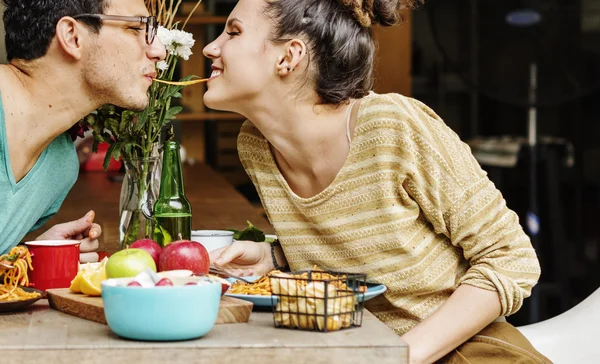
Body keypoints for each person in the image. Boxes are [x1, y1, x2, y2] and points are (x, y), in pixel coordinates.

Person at [204, 0, 550, 363]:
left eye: (234, 32)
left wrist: (399, 356)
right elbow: (359, 249)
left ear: (289, 56)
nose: (212, 47)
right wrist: (275, 256)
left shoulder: (390, 126)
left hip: (463, 352)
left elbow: (511, 258)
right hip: (355, 348)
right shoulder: (256, 146)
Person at [0, 0, 166, 260]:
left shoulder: (59, 167)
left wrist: (26, 256)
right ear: (72, 37)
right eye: (135, 29)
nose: (159, 51)